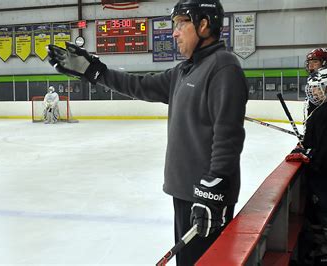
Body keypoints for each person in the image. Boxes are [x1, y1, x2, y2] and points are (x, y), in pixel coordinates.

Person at [47, 0, 248, 264]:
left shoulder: (223, 68)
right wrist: (94, 70)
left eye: (181, 24)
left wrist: (213, 192)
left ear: (203, 24)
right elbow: (140, 85)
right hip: (187, 194)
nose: (174, 32)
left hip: (205, 199)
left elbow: (228, 135)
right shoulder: (185, 70)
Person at [286, 67, 327, 265]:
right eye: (313, 89)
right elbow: (322, 142)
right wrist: (308, 146)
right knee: (319, 208)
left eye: (319, 89)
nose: (314, 93)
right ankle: (326, 245)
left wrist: (310, 156)